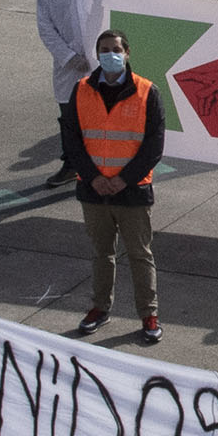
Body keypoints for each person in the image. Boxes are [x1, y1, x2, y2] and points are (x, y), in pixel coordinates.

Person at [61, 29, 164, 342]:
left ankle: (149, 315)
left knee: (139, 255)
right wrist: (95, 178)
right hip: (93, 191)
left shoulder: (147, 91)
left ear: (127, 53)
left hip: (132, 191)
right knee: (101, 254)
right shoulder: (80, 90)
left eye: (115, 49)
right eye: (104, 50)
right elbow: (72, 140)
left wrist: (121, 179)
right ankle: (99, 309)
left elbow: (153, 146)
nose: (110, 55)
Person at [34, 0, 119, 116]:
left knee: (105, 115)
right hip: (69, 68)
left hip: (102, 60)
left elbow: (123, 6)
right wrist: (69, 57)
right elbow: (46, 28)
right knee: (71, 118)